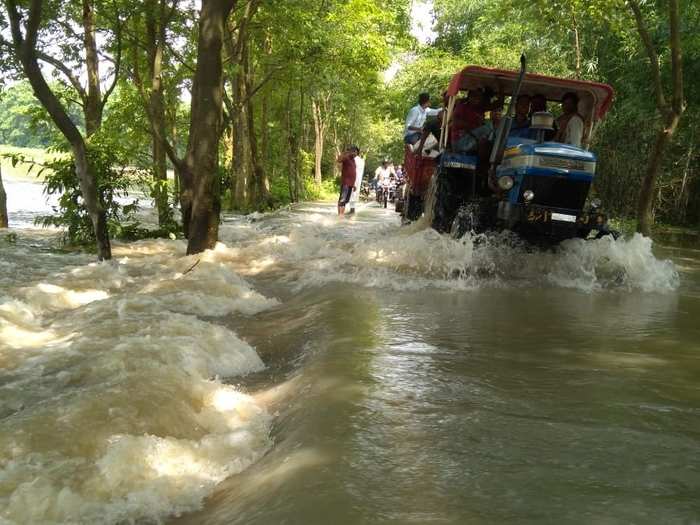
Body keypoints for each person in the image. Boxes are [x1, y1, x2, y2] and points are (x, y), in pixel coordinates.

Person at [336, 146, 357, 217]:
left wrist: (354, 184)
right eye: (354, 151)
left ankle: (341, 214)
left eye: (356, 152)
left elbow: (353, 173)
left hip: (351, 184)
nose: (355, 154)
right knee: (342, 199)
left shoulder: (353, 160)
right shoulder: (346, 157)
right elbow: (339, 160)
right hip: (345, 183)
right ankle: (340, 215)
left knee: (346, 200)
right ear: (350, 151)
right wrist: (345, 153)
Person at [347, 147, 365, 215]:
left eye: (352, 151)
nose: (351, 153)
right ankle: (352, 209)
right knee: (353, 194)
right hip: (355, 179)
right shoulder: (361, 160)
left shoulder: (356, 160)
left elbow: (354, 170)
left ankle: (352, 210)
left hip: (353, 179)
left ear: (356, 152)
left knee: (352, 194)